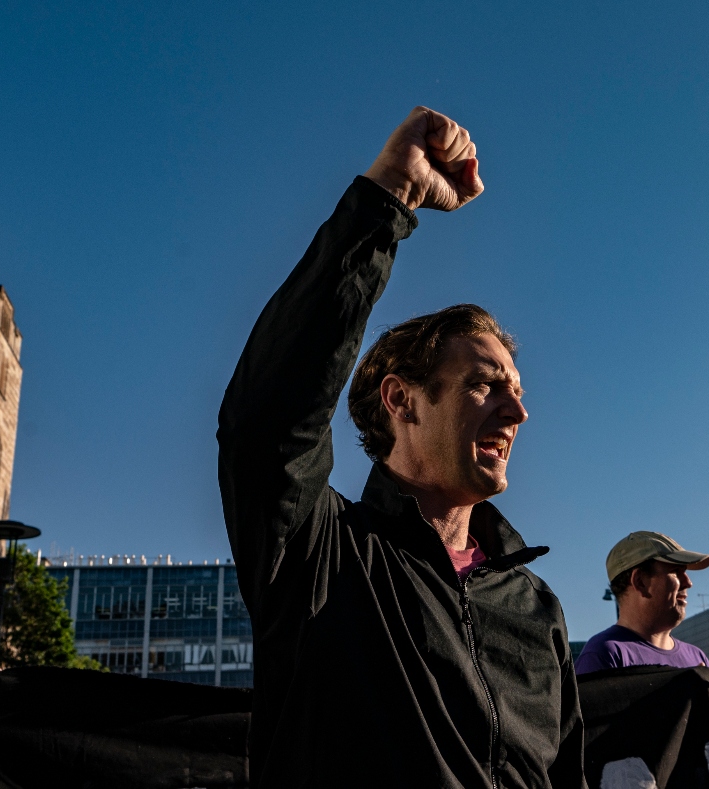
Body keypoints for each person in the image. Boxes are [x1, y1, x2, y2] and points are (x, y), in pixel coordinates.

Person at [218, 106, 582, 788]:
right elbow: (265, 424)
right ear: (402, 400)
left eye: (519, 390)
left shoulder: (537, 607)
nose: (519, 411)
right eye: (484, 385)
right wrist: (387, 199)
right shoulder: (323, 558)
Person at [576, 531, 709, 674]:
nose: (688, 583)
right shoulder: (603, 655)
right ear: (640, 581)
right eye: (675, 572)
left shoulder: (697, 656)